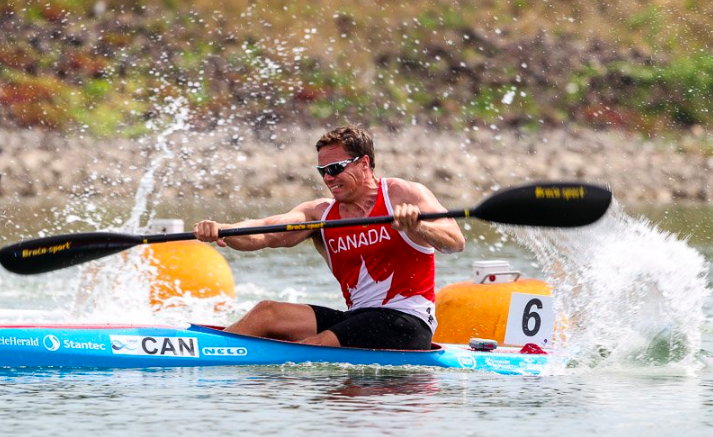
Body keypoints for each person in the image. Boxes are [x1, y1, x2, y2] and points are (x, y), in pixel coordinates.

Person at [193, 125, 465, 350]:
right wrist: (223, 230)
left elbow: (454, 242)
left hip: (408, 322)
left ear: (364, 163)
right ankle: (207, 352)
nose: (328, 178)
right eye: (322, 171)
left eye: (335, 168)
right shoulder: (320, 214)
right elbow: (264, 232)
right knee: (267, 312)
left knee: (315, 346)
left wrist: (418, 226)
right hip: (358, 318)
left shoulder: (403, 194)